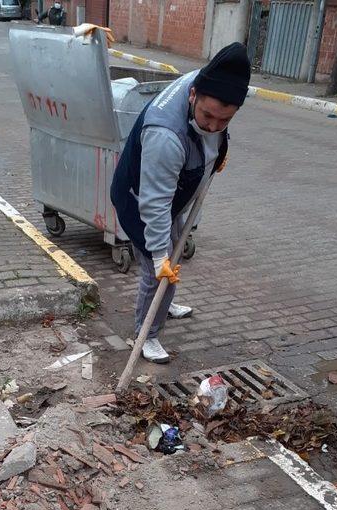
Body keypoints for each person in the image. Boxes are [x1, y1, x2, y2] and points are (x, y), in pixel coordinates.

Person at [110, 42, 251, 363]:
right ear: (192, 95)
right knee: (158, 271)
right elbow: (154, 205)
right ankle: (147, 335)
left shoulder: (208, 82)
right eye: (207, 117)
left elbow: (212, 131)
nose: (213, 127)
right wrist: (160, 256)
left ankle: (163, 302)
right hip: (138, 199)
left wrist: (215, 155)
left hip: (170, 192)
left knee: (171, 255)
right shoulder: (166, 136)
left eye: (224, 121)